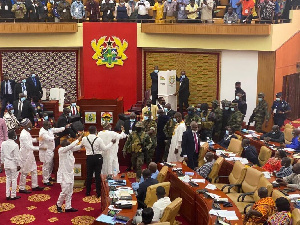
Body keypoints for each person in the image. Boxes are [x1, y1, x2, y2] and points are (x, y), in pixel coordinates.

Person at [82, 125, 116, 197]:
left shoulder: (84, 139)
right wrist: (111, 143)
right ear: (96, 131)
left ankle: (88, 192)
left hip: (89, 158)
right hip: (98, 158)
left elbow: (81, 146)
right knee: (98, 175)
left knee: (89, 175)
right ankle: (98, 192)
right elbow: (105, 148)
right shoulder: (98, 139)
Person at [56, 133, 83, 213]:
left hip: (70, 173)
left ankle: (68, 207)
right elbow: (71, 146)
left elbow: (78, 147)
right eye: (67, 142)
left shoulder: (70, 149)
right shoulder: (61, 150)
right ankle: (58, 204)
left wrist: (83, 142)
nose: (69, 143)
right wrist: (78, 139)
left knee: (70, 191)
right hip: (64, 174)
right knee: (64, 191)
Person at [39, 120, 69, 186]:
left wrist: (64, 127)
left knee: (50, 165)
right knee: (46, 166)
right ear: (45, 126)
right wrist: (54, 137)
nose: (51, 126)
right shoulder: (42, 132)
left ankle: (49, 177)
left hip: (51, 150)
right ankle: (45, 180)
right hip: (46, 152)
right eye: (49, 125)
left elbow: (55, 130)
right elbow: (48, 138)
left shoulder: (48, 129)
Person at [19, 118, 45, 193]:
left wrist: (37, 139)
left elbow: (30, 141)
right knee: (24, 172)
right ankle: (22, 188)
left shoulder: (27, 132)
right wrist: (40, 148)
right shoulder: (23, 134)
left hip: (30, 154)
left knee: (34, 169)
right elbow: (29, 146)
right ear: (26, 125)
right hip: (25, 155)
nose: (31, 124)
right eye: (30, 123)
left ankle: (34, 185)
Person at [1, 130, 21, 200]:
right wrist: (18, 165)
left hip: (6, 163)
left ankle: (7, 195)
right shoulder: (15, 145)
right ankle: (13, 195)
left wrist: (2, 162)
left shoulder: (3, 143)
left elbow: (2, 154)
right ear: (13, 136)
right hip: (13, 164)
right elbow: (16, 157)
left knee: (8, 179)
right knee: (14, 179)